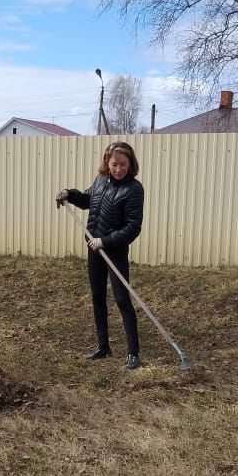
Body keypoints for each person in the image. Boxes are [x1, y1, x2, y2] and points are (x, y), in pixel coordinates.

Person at [55, 141, 145, 370]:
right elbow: (88, 200)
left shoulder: (134, 189)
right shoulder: (100, 181)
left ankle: (133, 353)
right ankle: (103, 346)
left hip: (114, 251)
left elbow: (133, 227)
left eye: (123, 164)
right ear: (107, 162)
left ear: (130, 164)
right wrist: (69, 194)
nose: (118, 169)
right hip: (94, 250)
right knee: (97, 297)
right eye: (114, 164)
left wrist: (105, 241)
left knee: (122, 300)